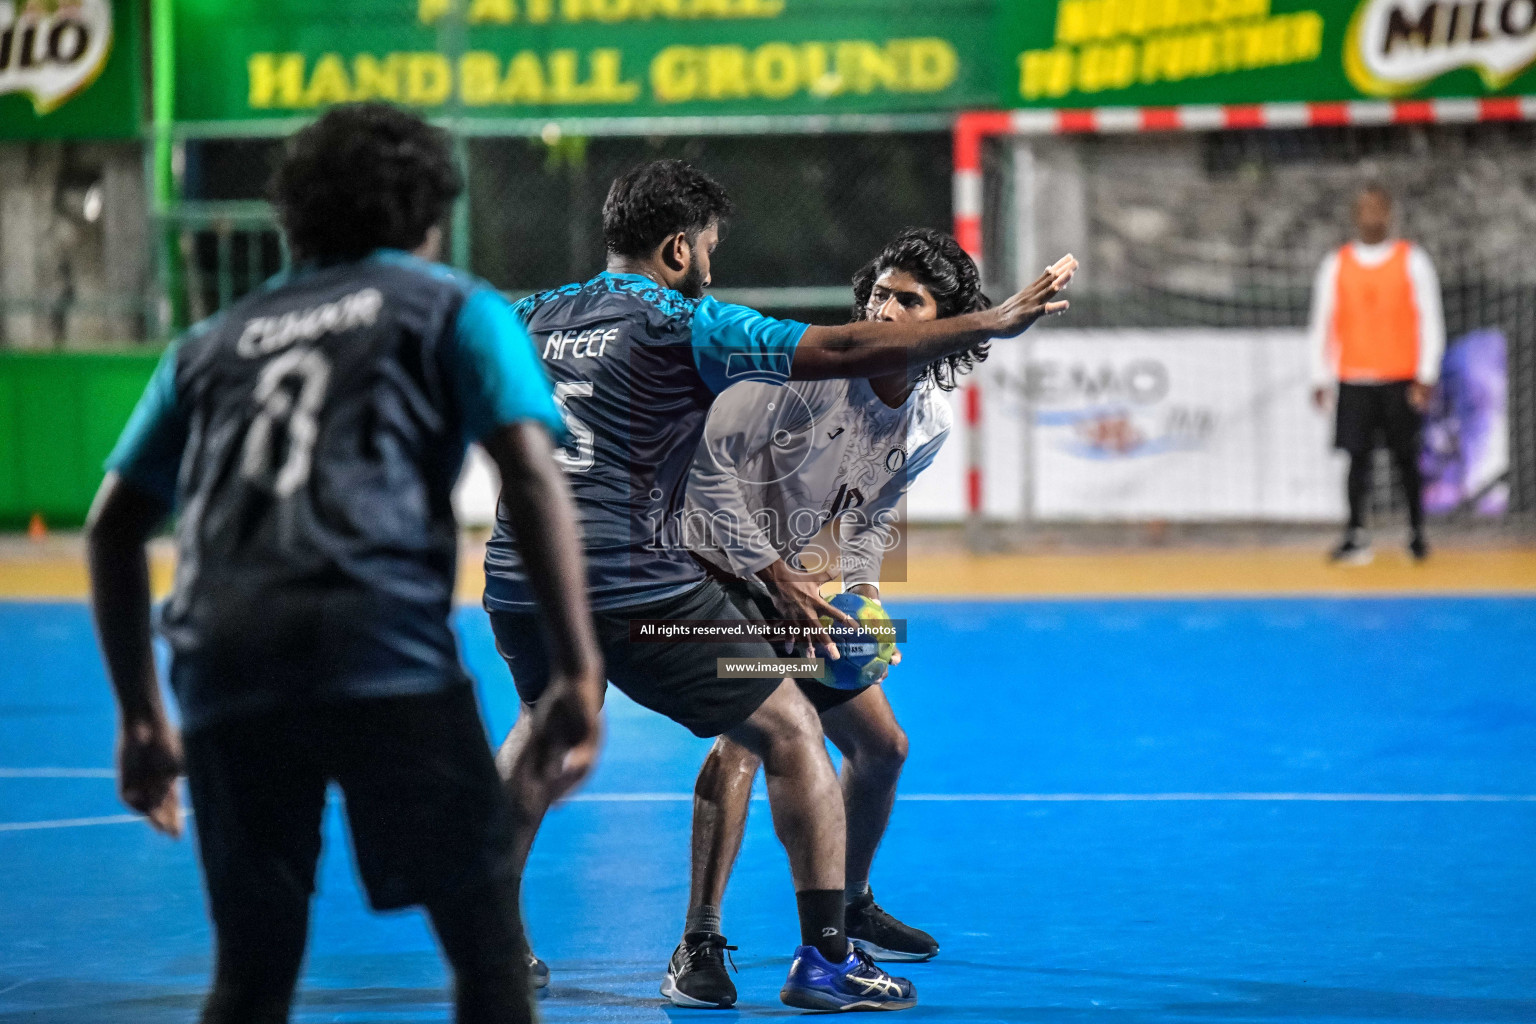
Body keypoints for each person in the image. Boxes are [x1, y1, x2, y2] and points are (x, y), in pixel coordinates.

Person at [485, 159, 1076, 1012]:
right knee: (783, 731)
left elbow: (866, 516)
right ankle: (747, 950)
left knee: (865, 742)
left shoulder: (525, 315)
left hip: (521, 579)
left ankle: (493, 936)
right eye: (711, 247)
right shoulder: (689, 323)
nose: (714, 263)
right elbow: (829, 355)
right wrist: (996, 319)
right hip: (656, 580)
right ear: (680, 247)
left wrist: (851, 598)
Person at [84, 102, 603, 1024]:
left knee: (250, 976)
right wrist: (575, 668)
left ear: (293, 214)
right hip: (380, 647)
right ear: (428, 213)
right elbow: (529, 471)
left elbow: (112, 527)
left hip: (226, 662)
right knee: (487, 960)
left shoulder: (210, 344)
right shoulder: (451, 306)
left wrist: (138, 716)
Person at [661, 228, 987, 1009]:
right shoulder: (801, 378)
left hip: (798, 583)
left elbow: (870, 517)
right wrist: (771, 578)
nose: (885, 306)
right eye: (880, 292)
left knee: (882, 747)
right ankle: (697, 945)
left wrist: (862, 599)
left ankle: (847, 902)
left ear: (945, 324)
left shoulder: (929, 416)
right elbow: (700, 483)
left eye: (909, 299)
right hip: (706, 565)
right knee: (749, 741)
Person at [1309, 184, 1444, 564]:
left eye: (1378, 208)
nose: (1371, 216)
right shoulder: (1336, 263)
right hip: (1354, 378)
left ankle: (1416, 533)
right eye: (1364, 209)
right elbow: (1321, 322)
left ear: (1389, 213)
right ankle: (1355, 534)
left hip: (1400, 377)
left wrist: (1426, 373)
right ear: (1355, 215)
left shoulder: (1412, 259)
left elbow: (1430, 318)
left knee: (1406, 458)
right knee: (1357, 460)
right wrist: (1320, 376)